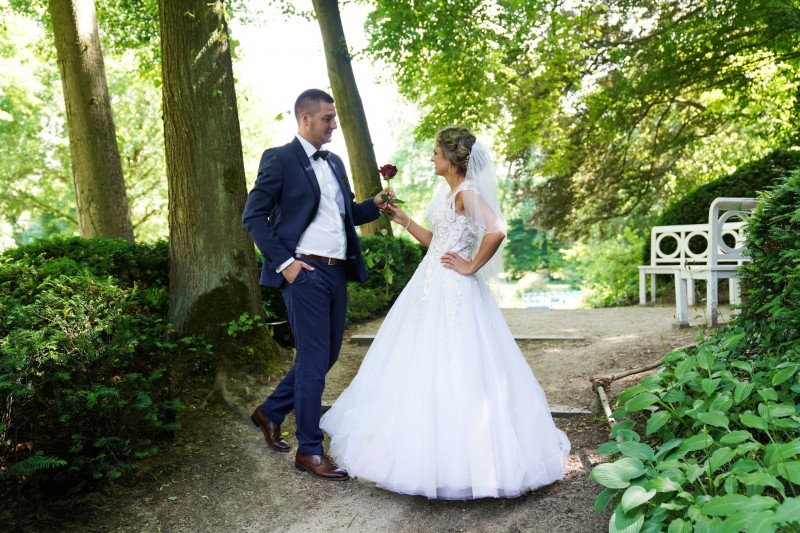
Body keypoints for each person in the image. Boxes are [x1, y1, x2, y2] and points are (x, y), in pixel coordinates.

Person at [320, 126, 571, 499]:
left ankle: (465, 462)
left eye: (436, 152)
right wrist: (405, 221)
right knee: (421, 362)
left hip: (454, 290)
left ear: (452, 159)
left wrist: (471, 265)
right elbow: (438, 243)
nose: (431, 157)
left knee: (458, 361)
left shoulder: (467, 193)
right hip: (429, 286)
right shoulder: (449, 193)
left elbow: (497, 229)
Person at [242, 88, 392, 481]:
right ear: (305, 118)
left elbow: (346, 215)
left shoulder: (335, 161)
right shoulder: (279, 159)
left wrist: (375, 205)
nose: (334, 125)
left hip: (336, 272)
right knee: (313, 362)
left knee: (325, 357)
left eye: (335, 117)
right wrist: (286, 264)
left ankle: (270, 412)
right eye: (327, 118)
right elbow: (253, 216)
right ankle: (309, 450)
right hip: (303, 272)